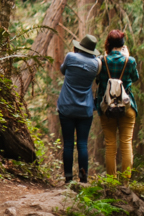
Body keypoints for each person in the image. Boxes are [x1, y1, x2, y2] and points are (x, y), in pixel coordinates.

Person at [57, 34, 101, 184]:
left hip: (67, 107)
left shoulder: (70, 57)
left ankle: (68, 178)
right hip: (85, 109)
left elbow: (63, 71)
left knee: (68, 143)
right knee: (82, 143)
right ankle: (83, 178)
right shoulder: (96, 63)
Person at [96, 29, 140, 177]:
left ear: (108, 43)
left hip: (107, 108)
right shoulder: (130, 60)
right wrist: (126, 57)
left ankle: (111, 183)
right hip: (127, 107)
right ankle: (125, 185)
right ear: (122, 44)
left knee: (110, 145)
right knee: (126, 144)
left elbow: (98, 81)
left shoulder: (101, 61)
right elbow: (135, 78)